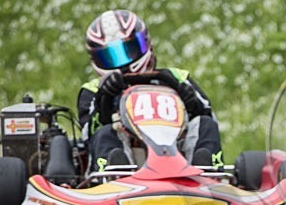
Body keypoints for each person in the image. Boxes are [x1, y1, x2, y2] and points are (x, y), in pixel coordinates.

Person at [77, 9, 223, 172]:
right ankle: (116, 174)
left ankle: (206, 173)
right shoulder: (93, 90)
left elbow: (209, 117)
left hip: (176, 149)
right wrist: (105, 98)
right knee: (105, 134)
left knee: (205, 125)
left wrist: (190, 101)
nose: (123, 62)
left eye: (129, 50)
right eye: (112, 56)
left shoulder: (177, 77)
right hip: (127, 155)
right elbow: (88, 136)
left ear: (146, 43)